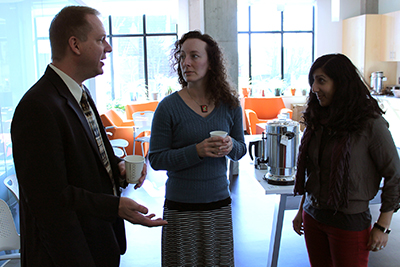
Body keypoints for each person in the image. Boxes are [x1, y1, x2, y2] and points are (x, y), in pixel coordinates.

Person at [11, 6, 167, 267]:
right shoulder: (37, 107)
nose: (108, 48)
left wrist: (116, 165)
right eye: (100, 39)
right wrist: (114, 206)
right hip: (67, 255)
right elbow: (49, 196)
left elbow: (88, 158)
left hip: (99, 243)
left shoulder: (80, 94)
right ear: (75, 45)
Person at [292, 53, 400, 267]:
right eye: (313, 81)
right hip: (313, 216)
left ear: (341, 83)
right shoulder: (319, 119)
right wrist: (301, 210)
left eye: (321, 80)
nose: (314, 88)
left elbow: (395, 175)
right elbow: (314, 172)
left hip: (349, 222)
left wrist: (383, 225)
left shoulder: (370, 124)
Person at [148, 30, 246, 266]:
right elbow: (156, 159)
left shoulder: (230, 105)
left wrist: (232, 146)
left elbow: (241, 150)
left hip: (218, 205)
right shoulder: (168, 107)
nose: (186, 63)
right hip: (181, 208)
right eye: (182, 57)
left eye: (194, 56)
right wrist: (197, 151)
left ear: (210, 63)